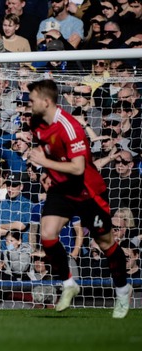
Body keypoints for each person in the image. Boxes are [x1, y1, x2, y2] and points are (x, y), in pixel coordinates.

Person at [27, 79, 131, 318]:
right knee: (47, 234)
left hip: (87, 192)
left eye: (32, 100)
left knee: (106, 244)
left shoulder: (70, 126)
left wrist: (44, 163)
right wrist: (46, 172)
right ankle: (69, 283)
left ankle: (123, 289)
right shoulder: (35, 122)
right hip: (61, 189)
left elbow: (78, 168)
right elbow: (46, 147)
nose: (28, 104)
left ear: (46, 101)